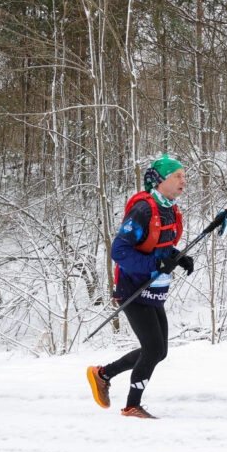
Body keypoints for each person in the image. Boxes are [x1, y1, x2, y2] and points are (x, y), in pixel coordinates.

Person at [86, 155, 194, 419]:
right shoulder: (144, 210)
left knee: (159, 351)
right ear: (160, 181)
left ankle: (103, 374)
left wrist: (178, 257)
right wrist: (157, 263)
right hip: (133, 288)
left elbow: (158, 245)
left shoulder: (169, 207)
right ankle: (131, 405)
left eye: (183, 175)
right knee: (154, 349)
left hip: (154, 288)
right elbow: (119, 251)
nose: (184, 180)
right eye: (177, 176)